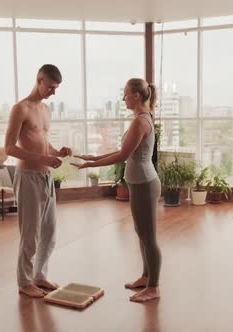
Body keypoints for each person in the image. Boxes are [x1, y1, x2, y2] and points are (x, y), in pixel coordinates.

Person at [72, 78, 161, 302]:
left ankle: (154, 287)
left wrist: (91, 165)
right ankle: (145, 277)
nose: (123, 98)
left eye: (125, 94)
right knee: (142, 233)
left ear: (137, 96)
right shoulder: (140, 119)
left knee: (148, 236)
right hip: (139, 182)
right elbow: (125, 150)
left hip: (144, 183)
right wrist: (94, 156)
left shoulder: (141, 121)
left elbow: (122, 156)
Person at [5, 64, 72, 298]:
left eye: (57, 88)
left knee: (49, 232)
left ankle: (39, 276)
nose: (54, 92)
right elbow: (9, 148)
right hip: (28, 177)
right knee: (30, 234)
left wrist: (57, 152)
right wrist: (43, 157)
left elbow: (43, 142)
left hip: (46, 176)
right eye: (51, 87)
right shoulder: (20, 109)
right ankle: (24, 282)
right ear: (39, 79)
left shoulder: (45, 110)